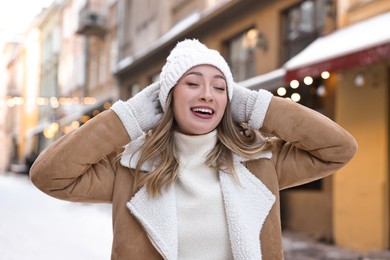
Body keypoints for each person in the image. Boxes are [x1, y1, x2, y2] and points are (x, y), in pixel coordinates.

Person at [30, 39, 357, 260]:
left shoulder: (259, 162)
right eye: (192, 83)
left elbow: (338, 149)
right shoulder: (130, 168)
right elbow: (50, 176)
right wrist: (129, 117)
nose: (207, 94)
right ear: (168, 96)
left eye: (219, 87)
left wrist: (253, 105)